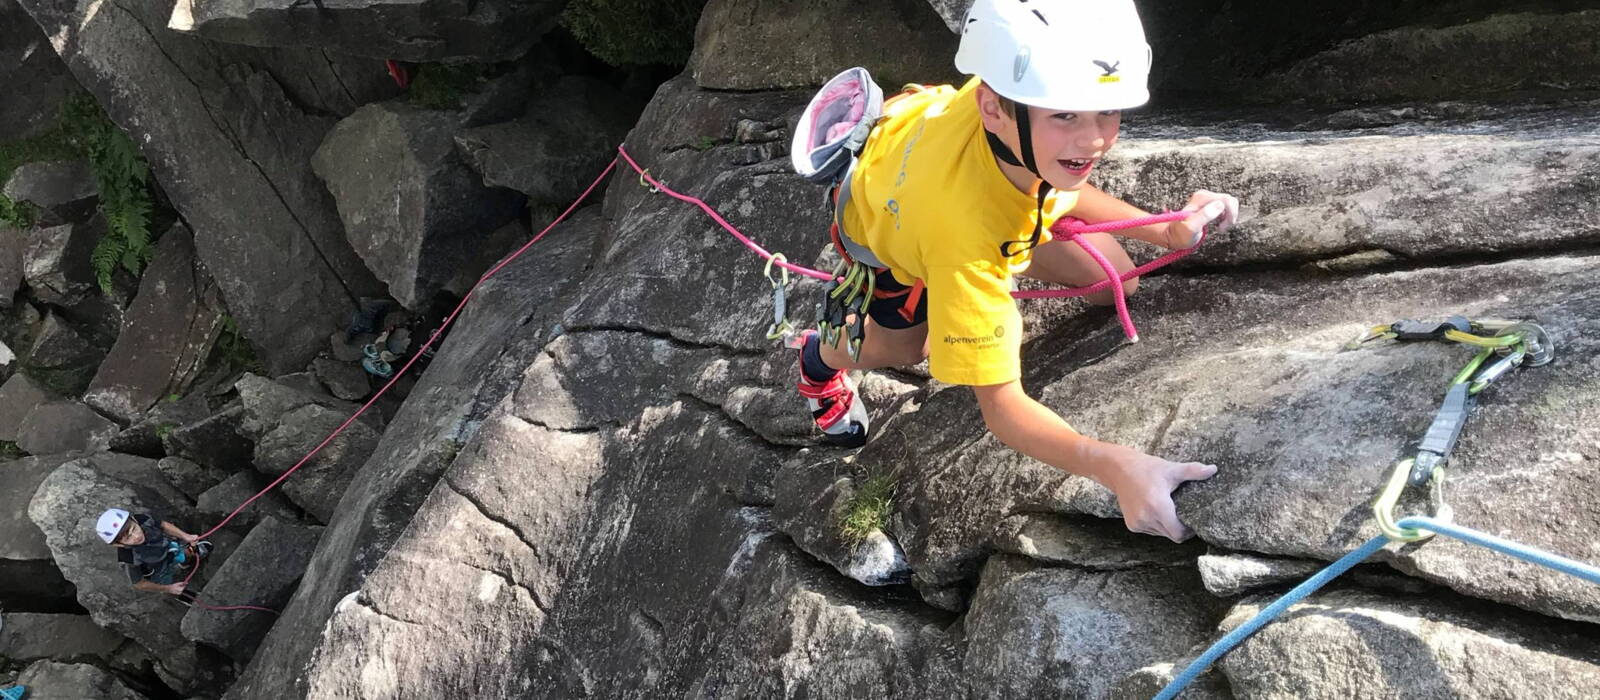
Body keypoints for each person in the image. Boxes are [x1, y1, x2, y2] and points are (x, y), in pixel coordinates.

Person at [793, 0, 1240, 542]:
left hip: (942, 168)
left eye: (1107, 112)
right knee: (909, 351)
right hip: (891, 224)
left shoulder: (1010, 102)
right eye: (1066, 115)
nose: (1095, 138)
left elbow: (1057, 187)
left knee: (1117, 281)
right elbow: (1003, 411)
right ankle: (819, 358)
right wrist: (1117, 467)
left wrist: (1167, 232)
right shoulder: (965, 241)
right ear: (993, 109)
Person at [95, 508, 209, 600]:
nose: (136, 537)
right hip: (157, 570)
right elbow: (139, 583)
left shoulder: (143, 520)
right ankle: (179, 594)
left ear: (134, 520)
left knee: (178, 553)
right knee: (169, 582)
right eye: (128, 537)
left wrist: (186, 536)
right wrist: (168, 588)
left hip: (166, 548)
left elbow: (163, 525)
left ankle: (186, 558)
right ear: (118, 544)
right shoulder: (129, 559)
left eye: (134, 529)